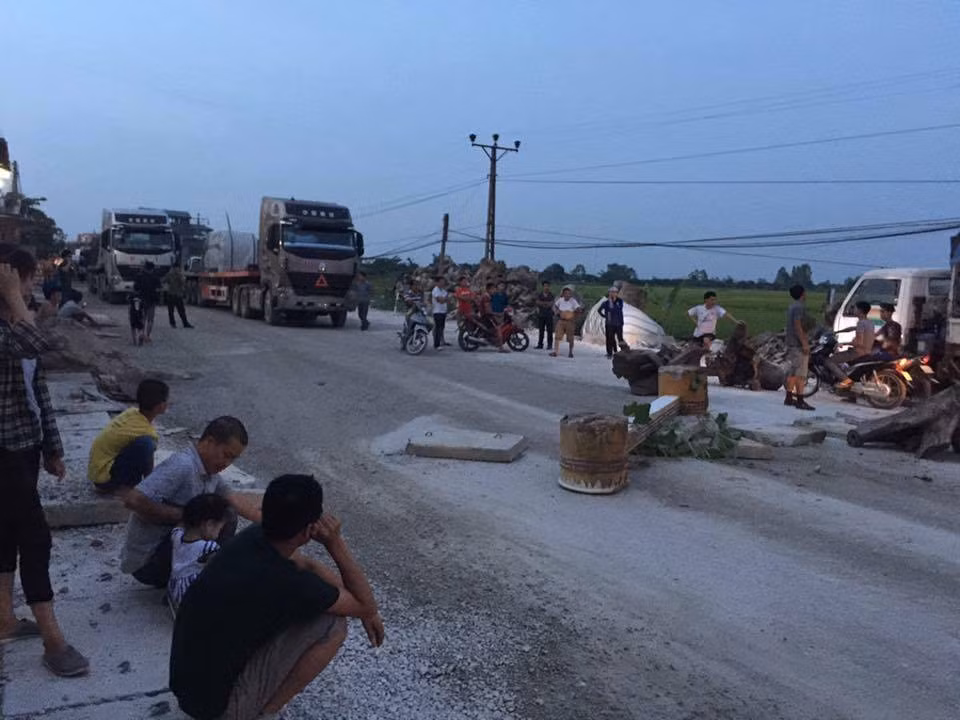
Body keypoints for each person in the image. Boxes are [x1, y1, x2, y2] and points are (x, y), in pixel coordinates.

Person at [170, 474, 384, 720]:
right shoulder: (289, 582)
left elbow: (308, 565)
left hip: (187, 689)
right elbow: (365, 605)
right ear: (307, 531)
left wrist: (363, 608)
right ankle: (265, 714)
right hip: (219, 709)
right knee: (332, 624)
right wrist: (335, 544)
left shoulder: (254, 537)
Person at [0, 248, 89, 677]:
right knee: (35, 539)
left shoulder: (17, 322)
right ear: (9, 279)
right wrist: (15, 300)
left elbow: (39, 389)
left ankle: (4, 619)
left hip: (25, 448)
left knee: (6, 534)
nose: (34, 286)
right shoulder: (13, 325)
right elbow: (37, 346)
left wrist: (52, 447)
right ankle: (54, 642)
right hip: (3, 453)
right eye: (28, 279)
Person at [120, 416, 262, 588]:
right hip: (148, 562)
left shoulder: (209, 473)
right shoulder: (183, 465)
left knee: (226, 513)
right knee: (217, 518)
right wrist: (187, 516)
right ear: (210, 442)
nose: (227, 463)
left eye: (233, 459)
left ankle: (211, 575)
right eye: (226, 455)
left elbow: (234, 499)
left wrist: (272, 524)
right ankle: (201, 583)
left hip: (168, 552)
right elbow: (132, 500)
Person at [88, 379, 169, 497]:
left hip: (97, 470)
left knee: (142, 445)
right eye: (166, 400)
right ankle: (123, 487)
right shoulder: (145, 431)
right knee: (146, 445)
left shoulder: (131, 412)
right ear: (160, 406)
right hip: (104, 479)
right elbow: (148, 459)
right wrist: (151, 485)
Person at [167, 493, 230, 615]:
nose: (219, 534)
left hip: (175, 591)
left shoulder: (177, 536)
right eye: (219, 528)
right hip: (191, 597)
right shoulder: (208, 547)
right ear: (209, 525)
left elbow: (179, 526)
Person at [830, 301, 876, 389]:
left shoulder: (861, 323)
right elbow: (851, 328)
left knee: (829, 361)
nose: (853, 310)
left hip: (858, 352)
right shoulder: (869, 322)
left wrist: (843, 343)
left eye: (855, 308)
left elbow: (858, 343)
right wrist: (837, 331)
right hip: (867, 351)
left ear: (860, 311)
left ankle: (846, 381)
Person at [784, 284, 814, 410]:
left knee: (793, 372)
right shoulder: (799, 308)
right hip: (797, 345)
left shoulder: (792, 307)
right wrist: (804, 343)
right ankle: (800, 400)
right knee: (801, 374)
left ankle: (789, 397)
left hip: (791, 343)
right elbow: (798, 326)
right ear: (803, 294)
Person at [133, 262, 163, 343]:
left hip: (141, 299)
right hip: (152, 300)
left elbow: (135, 287)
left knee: (142, 318)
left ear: (145, 268)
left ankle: (141, 334)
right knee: (150, 319)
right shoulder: (155, 277)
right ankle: (148, 336)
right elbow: (159, 288)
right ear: (152, 269)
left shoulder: (139, 276)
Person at [551, 285, 582, 358]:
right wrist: (557, 311)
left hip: (570, 321)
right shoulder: (560, 300)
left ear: (570, 294)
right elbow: (555, 306)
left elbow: (578, 309)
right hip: (561, 320)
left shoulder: (573, 301)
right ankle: (556, 351)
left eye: (568, 293)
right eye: (565, 293)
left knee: (570, 337)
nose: (567, 295)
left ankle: (570, 352)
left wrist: (575, 315)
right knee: (557, 336)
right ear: (563, 294)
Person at [597, 286, 626, 359]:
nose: (613, 294)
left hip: (618, 322)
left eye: (614, 292)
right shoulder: (606, 302)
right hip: (609, 323)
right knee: (610, 338)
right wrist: (604, 316)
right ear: (609, 293)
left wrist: (612, 302)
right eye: (611, 292)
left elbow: (616, 309)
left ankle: (623, 352)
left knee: (620, 338)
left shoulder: (620, 301)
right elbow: (599, 310)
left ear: (617, 293)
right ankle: (610, 352)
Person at [480, 282, 509, 353]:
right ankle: (501, 348)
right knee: (498, 328)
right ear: (488, 289)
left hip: (486, 315)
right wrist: (497, 314)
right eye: (493, 289)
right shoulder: (486, 297)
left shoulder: (488, 296)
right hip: (487, 316)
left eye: (494, 289)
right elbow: (487, 310)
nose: (494, 290)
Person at [164, 264, 193, 329]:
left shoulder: (178, 275)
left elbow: (183, 283)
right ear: (174, 268)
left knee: (181, 310)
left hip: (177, 295)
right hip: (171, 294)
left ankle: (185, 323)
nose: (177, 270)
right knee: (171, 311)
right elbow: (164, 281)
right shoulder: (169, 275)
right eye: (176, 268)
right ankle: (173, 323)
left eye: (178, 268)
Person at [431, 276, 450, 350]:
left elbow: (447, 300)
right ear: (437, 282)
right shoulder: (435, 290)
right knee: (438, 328)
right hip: (437, 311)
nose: (443, 283)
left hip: (443, 312)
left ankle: (440, 342)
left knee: (441, 328)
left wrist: (444, 299)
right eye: (441, 281)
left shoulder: (443, 290)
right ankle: (436, 345)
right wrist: (444, 299)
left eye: (443, 281)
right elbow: (440, 300)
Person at [535, 281, 555, 350]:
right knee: (541, 331)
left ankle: (549, 345)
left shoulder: (551, 295)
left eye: (547, 286)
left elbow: (551, 304)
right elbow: (537, 302)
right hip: (541, 315)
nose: (546, 287)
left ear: (549, 287)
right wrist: (546, 304)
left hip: (549, 315)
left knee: (550, 331)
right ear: (543, 287)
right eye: (545, 286)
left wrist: (542, 303)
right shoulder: (539, 295)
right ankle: (540, 344)